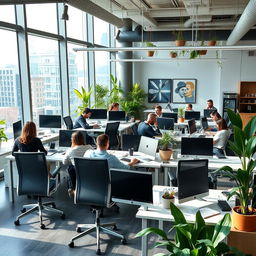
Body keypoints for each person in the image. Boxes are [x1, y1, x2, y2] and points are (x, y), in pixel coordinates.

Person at [63, 131, 93, 197]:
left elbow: (64, 162)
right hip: (89, 172)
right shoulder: (89, 147)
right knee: (71, 168)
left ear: (73, 140)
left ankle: (72, 188)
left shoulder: (71, 150)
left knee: (70, 168)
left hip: (77, 172)